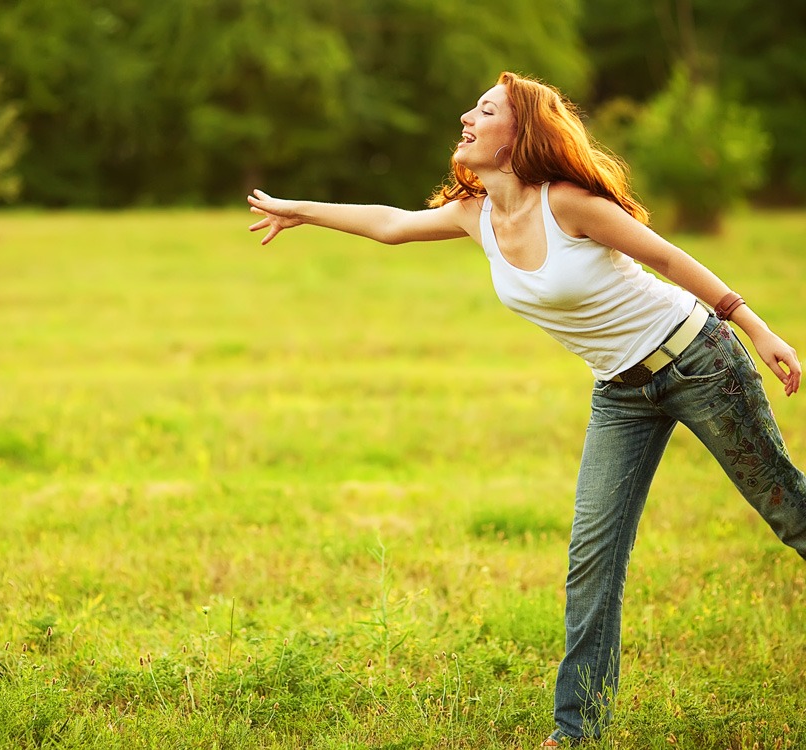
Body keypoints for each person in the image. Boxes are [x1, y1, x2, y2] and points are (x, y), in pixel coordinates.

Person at [247, 71, 806, 746]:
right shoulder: (474, 213)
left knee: (786, 510)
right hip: (620, 391)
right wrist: (302, 210)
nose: (466, 117)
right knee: (592, 561)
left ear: (520, 134)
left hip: (698, 359)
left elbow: (665, 256)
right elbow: (391, 225)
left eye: (484, 111)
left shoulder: (567, 203)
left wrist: (758, 328)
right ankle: (576, 733)